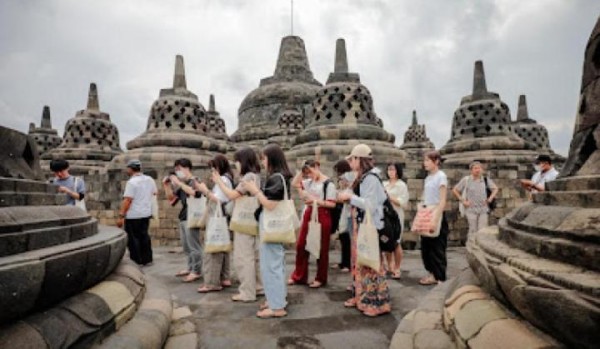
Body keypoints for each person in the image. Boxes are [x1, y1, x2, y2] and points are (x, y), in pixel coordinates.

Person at [337, 144, 391, 317]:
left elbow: (370, 204)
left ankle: (376, 303)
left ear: (359, 159)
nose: (350, 162)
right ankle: (362, 296)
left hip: (371, 227)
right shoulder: (363, 178)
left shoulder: (370, 179)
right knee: (362, 263)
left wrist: (350, 197)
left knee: (371, 264)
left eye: (352, 158)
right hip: (362, 226)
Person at [242, 143, 292, 319]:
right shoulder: (281, 177)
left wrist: (255, 191)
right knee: (274, 264)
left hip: (271, 226)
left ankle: (277, 306)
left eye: (263, 158)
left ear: (271, 158)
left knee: (271, 266)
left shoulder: (276, 178)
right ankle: (275, 299)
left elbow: (270, 204)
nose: (262, 162)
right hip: (273, 226)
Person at [212, 147, 264, 302]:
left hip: (244, 222)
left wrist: (219, 182)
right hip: (252, 221)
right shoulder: (256, 175)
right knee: (252, 257)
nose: (236, 165)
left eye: (237, 161)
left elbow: (232, 195)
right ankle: (257, 286)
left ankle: (247, 292)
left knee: (243, 257)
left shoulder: (248, 176)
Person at [289, 160, 337, 288]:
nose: (309, 175)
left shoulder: (328, 183)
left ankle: (320, 278)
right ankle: (299, 275)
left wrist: (315, 200)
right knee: (301, 245)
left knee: (322, 247)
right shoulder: (309, 182)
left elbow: (332, 204)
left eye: (310, 172)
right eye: (307, 173)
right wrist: (301, 171)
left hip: (323, 213)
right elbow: (295, 183)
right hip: (309, 212)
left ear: (317, 167)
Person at [196, 154, 234, 293]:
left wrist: (204, 190)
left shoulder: (223, 179)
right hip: (223, 216)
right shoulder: (228, 178)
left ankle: (212, 283)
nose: (212, 171)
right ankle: (224, 277)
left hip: (217, 216)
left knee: (213, 249)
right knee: (223, 246)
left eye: (214, 167)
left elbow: (218, 199)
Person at [163, 158, 203, 283]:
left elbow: (195, 193)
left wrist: (179, 183)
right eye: (176, 170)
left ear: (187, 168)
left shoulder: (194, 181)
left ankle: (196, 270)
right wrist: (166, 185)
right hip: (183, 216)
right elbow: (172, 200)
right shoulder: (183, 184)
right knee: (186, 246)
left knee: (194, 246)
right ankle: (190, 267)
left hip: (193, 217)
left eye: (179, 169)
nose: (177, 172)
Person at [117, 159, 157, 266]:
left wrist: (121, 215)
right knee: (144, 236)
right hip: (145, 213)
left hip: (133, 215)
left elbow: (128, 200)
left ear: (130, 169)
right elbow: (154, 193)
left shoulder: (132, 182)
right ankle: (147, 259)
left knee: (133, 239)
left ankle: (137, 260)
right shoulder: (150, 179)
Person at [419, 151, 449, 285]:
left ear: (436, 161)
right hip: (427, 211)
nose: (425, 163)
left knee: (437, 246)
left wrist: (435, 219)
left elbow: (442, 200)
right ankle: (431, 273)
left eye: (427, 160)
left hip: (437, 212)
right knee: (426, 246)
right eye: (424, 160)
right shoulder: (428, 178)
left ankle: (440, 276)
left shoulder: (441, 176)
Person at [452, 161, 498, 237]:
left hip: (483, 209)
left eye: (479, 168)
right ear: (471, 170)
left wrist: (490, 199)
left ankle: (479, 247)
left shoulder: (485, 180)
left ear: (482, 170)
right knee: (473, 229)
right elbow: (455, 190)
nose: (478, 170)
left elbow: (495, 188)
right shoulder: (466, 180)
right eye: (475, 168)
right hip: (471, 209)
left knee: (482, 229)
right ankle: (472, 246)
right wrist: (463, 201)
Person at [383, 162, 409, 280]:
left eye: (393, 170)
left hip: (396, 216)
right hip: (385, 215)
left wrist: (389, 198)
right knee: (387, 240)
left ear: (397, 171)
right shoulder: (384, 184)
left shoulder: (401, 185)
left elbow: (403, 202)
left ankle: (397, 267)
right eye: (389, 170)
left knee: (396, 242)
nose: (391, 172)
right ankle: (389, 265)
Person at [332, 160, 353, 272]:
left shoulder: (348, 177)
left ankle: (347, 264)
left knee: (346, 238)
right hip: (343, 208)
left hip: (348, 208)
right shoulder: (343, 177)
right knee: (342, 236)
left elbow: (346, 190)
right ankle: (343, 262)